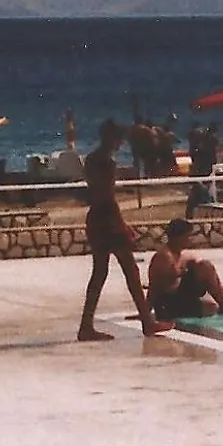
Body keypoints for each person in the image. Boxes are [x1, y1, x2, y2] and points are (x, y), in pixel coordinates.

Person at [76, 120, 170, 341]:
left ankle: (86, 325)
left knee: (100, 273)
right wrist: (121, 226)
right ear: (113, 139)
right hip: (107, 219)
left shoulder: (91, 159)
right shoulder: (107, 162)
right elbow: (108, 196)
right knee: (131, 272)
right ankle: (147, 322)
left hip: (96, 218)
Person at [146, 218, 223, 320]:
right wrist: (146, 312)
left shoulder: (184, 256)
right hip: (168, 303)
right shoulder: (164, 257)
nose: (191, 239)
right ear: (178, 237)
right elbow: (154, 287)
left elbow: (211, 281)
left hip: (183, 297)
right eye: (188, 236)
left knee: (204, 266)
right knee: (211, 308)